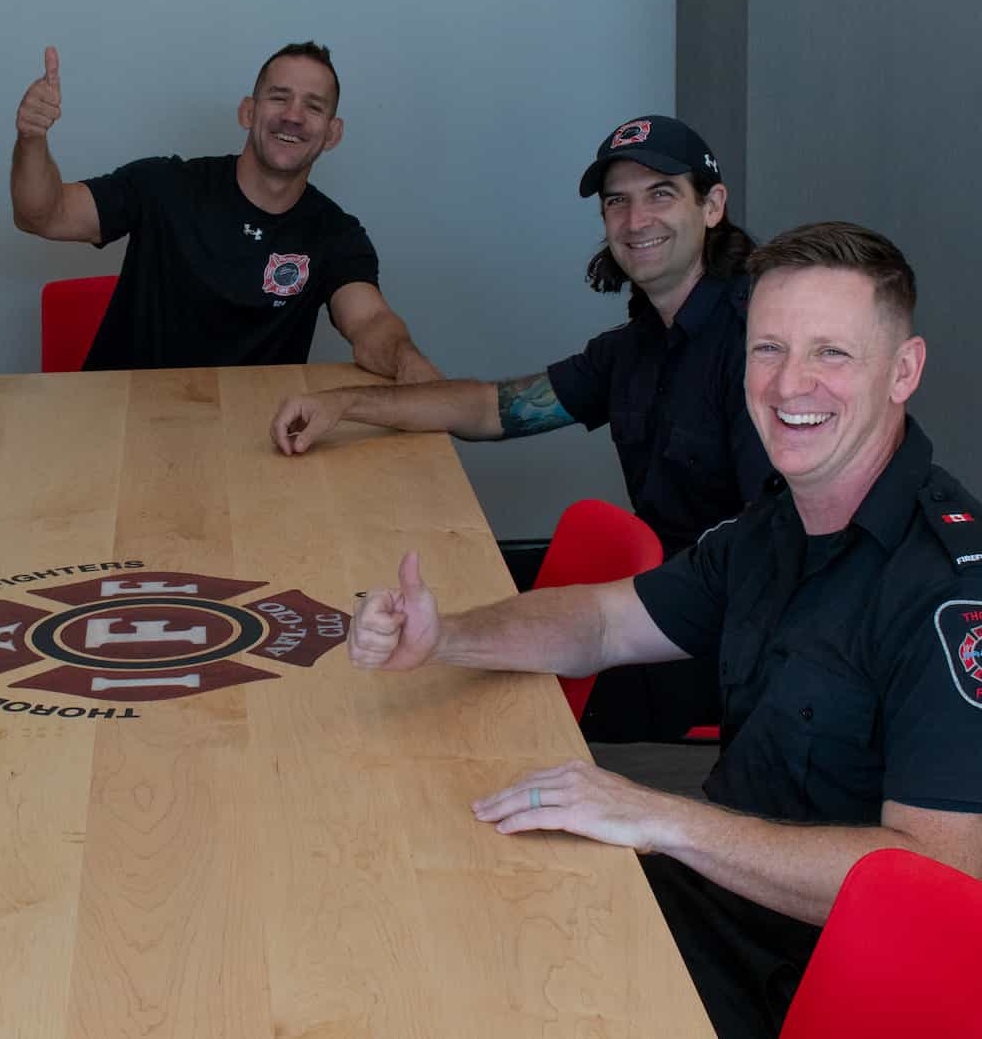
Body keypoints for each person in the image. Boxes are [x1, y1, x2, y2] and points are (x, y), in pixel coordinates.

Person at [347, 222, 982, 1039]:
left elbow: (931, 876)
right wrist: (446, 639)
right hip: (710, 903)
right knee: (427, 918)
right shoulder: (780, 522)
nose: (791, 383)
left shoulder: (946, 589)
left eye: (833, 353)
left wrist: (663, 818)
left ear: (904, 371)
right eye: (768, 349)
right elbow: (606, 621)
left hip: (818, 988)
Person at [273, 114, 772, 741]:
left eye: (661, 193)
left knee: (465, 706)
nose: (636, 220)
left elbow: (778, 548)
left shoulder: (764, 345)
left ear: (713, 205)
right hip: (651, 602)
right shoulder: (634, 348)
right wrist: (345, 404)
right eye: (617, 201)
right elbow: (491, 409)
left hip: (730, 635)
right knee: (427, 660)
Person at [11, 41, 440, 380]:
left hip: (250, 437)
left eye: (313, 106)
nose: (293, 116)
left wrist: (410, 366)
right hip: (120, 420)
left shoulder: (336, 234)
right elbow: (43, 215)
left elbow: (370, 322)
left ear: (332, 133)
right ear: (248, 112)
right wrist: (32, 138)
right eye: (279, 98)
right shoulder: (164, 184)